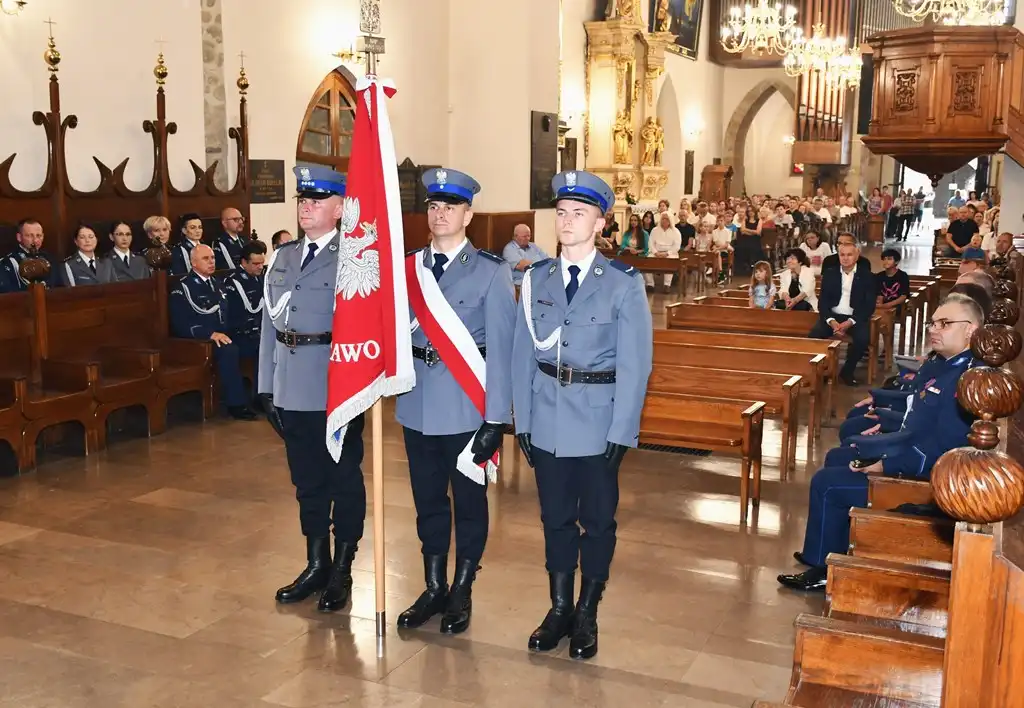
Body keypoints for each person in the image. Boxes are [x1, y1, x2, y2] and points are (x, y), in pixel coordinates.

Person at [511, 170, 652, 660]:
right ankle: (558, 608)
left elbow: (636, 364)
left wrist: (623, 429)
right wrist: (522, 421)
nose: (568, 221)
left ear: (600, 223)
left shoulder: (622, 284)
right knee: (554, 519)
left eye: (580, 213)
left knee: (597, 521)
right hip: (546, 419)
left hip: (597, 422)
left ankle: (587, 611)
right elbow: (521, 355)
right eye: (562, 212)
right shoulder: (536, 278)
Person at [778, 294, 982, 591]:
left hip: (926, 479)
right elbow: (915, 415)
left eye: (945, 323)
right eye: (933, 322)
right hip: (909, 450)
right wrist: (884, 432)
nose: (934, 329)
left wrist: (886, 463)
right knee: (838, 457)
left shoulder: (965, 381)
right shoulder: (948, 365)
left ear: (971, 330)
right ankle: (831, 549)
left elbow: (940, 451)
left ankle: (825, 569)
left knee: (828, 483)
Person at [395, 168, 515, 636]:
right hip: (416, 403)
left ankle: (462, 588)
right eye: (433, 205)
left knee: (468, 502)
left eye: (450, 206)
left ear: (468, 213)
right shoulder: (408, 268)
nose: (439, 213)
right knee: (427, 501)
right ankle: (432, 586)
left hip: (468, 406)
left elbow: (502, 352)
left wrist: (496, 419)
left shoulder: (491, 271)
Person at [257, 166, 367, 612]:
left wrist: (356, 388)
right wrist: (267, 386)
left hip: (335, 388)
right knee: (306, 481)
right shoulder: (282, 256)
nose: (306, 206)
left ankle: (343, 567)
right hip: (290, 386)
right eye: (303, 199)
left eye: (317, 200)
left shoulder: (354, 258)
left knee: (343, 479)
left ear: (339, 209)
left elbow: (362, 330)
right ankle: (315, 562)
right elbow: (270, 322)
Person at [169, 244, 258, 421]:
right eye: (206, 259)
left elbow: (229, 314)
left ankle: (259, 398)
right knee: (229, 351)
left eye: (212, 258)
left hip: (225, 334)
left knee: (257, 344)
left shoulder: (217, 283)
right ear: (193, 263)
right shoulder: (183, 288)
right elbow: (181, 323)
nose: (211, 262)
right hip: (200, 341)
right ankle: (236, 404)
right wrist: (209, 334)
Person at [810, 241, 876, 386]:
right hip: (833, 316)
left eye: (849, 255)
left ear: (857, 255)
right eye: (842, 255)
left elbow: (869, 305)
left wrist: (850, 322)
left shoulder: (867, 276)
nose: (845, 258)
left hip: (854, 318)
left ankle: (847, 371)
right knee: (814, 335)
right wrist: (831, 321)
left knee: (862, 339)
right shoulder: (830, 273)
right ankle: (822, 371)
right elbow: (823, 302)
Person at [223, 241, 267, 404]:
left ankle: (270, 396)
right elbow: (235, 314)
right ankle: (258, 398)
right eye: (255, 264)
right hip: (240, 333)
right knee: (262, 349)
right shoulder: (233, 282)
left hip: (257, 331)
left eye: (262, 263)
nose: (260, 267)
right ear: (243, 262)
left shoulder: (260, 278)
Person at [0, 218, 62, 292]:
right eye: (29, 236)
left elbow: (60, 288)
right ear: (19, 237)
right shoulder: (7, 263)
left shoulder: (51, 259)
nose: (35, 240)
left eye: (38, 236)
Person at [646, 211, 681, 292]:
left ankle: (667, 285)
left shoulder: (676, 231)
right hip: (656, 252)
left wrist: (667, 253)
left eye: (666, 219)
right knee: (647, 260)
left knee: (670, 260)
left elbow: (676, 246)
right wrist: (655, 252)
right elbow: (650, 243)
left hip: (669, 253)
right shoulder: (655, 230)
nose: (664, 220)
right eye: (663, 219)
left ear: (670, 220)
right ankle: (650, 284)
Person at [874, 248, 910, 315]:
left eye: (889, 259)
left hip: (897, 306)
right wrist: (880, 305)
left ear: (896, 262)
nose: (886, 261)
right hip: (882, 306)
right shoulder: (879, 276)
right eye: (884, 259)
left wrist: (887, 305)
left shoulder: (903, 276)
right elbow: (879, 294)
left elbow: (903, 296)